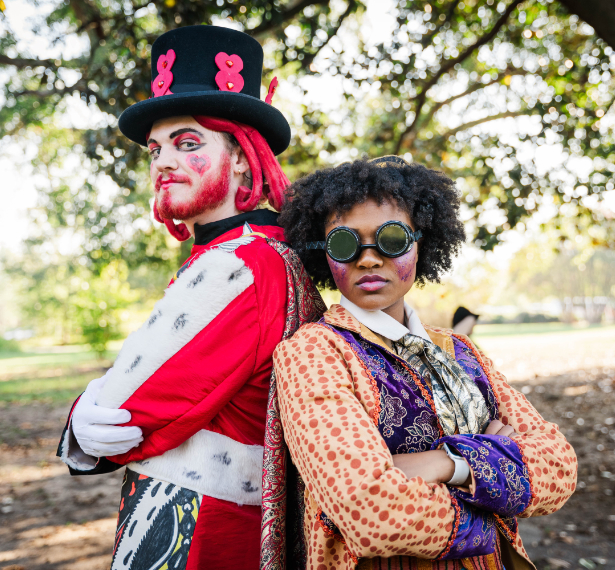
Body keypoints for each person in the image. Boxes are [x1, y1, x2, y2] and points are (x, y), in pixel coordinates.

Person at [56, 25, 325, 570]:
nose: (162, 163)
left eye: (188, 143)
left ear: (245, 159)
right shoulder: (263, 251)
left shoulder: (239, 264)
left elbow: (124, 413)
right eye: (156, 149)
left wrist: (85, 412)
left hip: (195, 528)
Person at [273, 156, 577, 570]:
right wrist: (493, 474)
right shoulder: (314, 352)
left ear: (422, 242)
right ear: (323, 252)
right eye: (345, 243)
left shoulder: (461, 349)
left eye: (391, 239)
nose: (367, 259)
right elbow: (368, 512)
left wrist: (444, 465)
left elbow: (558, 467)